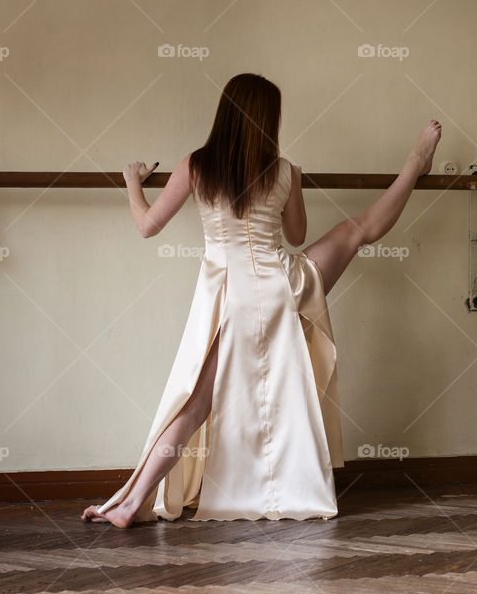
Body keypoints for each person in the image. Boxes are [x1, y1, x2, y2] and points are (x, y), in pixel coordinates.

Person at [81, 73, 442, 528]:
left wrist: (133, 182)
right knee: (356, 230)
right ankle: (413, 165)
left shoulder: (195, 165)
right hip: (281, 291)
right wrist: (295, 187)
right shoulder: (283, 169)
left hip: (227, 299)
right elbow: (297, 236)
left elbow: (147, 226)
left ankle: (132, 502)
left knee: (194, 404)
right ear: (269, 120)